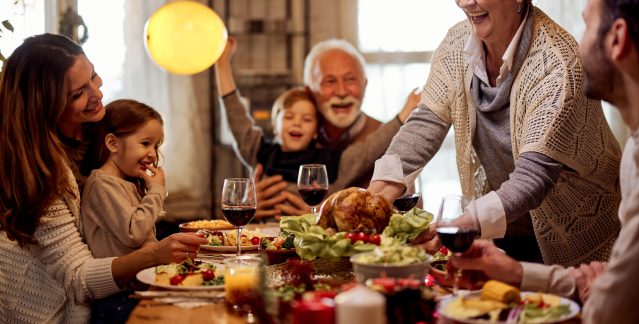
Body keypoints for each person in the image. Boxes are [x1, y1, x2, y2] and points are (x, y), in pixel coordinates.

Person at [447, 0, 639, 322]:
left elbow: (613, 309)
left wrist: (602, 290)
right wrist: (516, 273)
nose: (573, 45)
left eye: (586, 25)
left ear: (617, 39)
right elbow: (616, 280)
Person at [367, 0, 622, 265]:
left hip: (581, 242)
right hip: (508, 233)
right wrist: (371, 200)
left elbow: (533, 178)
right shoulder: (457, 42)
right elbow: (426, 122)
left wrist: (459, 227)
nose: (465, 2)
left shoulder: (558, 63)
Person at [0, 34, 207, 323]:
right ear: (45, 105)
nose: (97, 94)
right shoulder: (38, 173)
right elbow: (77, 278)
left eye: (94, 76)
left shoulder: (96, 134)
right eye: (78, 93)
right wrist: (154, 255)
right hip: (58, 313)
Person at [216, 38, 417, 219]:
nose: (341, 91)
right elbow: (239, 124)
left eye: (350, 79)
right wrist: (250, 206)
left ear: (365, 85)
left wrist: (321, 217)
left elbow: (409, 217)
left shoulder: (390, 141)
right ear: (309, 91)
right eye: (329, 81)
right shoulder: (279, 146)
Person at [78, 100, 167, 322]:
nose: (153, 154)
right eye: (145, 143)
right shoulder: (102, 183)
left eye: (155, 146)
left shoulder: (124, 183)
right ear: (112, 143)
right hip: (120, 301)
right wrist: (156, 191)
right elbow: (134, 233)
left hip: (135, 292)